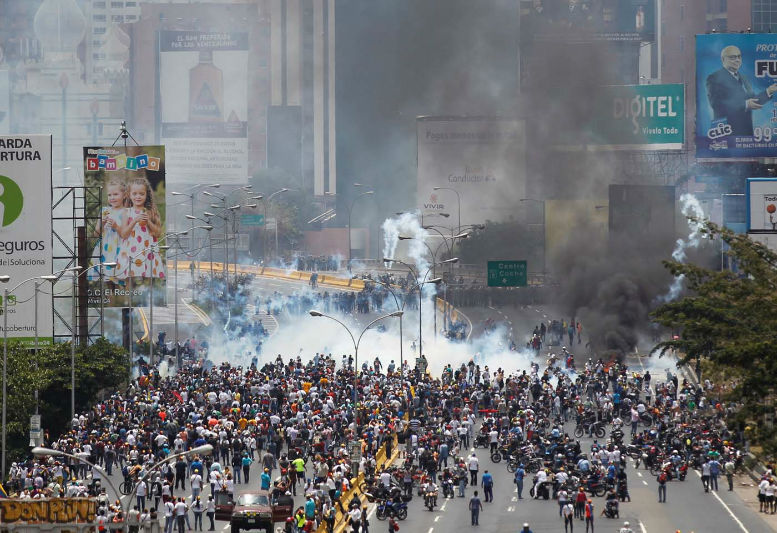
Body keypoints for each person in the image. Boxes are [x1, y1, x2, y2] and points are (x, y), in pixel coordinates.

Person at [706, 45, 777, 136]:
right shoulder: (714, 78)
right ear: (723, 59)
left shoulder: (744, 78)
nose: (737, 60)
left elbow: (753, 100)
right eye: (733, 57)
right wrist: (745, 104)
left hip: (746, 132)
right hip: (727, 132)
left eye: (739, 56)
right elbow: (716, 104)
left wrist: (768, 91)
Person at [118, 175, 164, 279]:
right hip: (131, 251)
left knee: (148, 279)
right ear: (129, 195)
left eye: (141, 194)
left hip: (148, 251)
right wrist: (134, 220)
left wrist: (148, 221)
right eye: (134, 194)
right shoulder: (126, 212)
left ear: (146, 195)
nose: (138, 196)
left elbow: (158, 233)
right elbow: (124, 234)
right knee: (131, 278)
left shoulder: (151, 211)